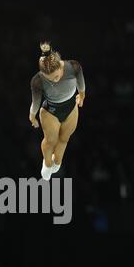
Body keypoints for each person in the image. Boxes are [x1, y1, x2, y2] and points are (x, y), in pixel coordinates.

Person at [29, 41, 85, 180]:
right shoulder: (37, 81)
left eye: (56, 76)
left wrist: (82, 95)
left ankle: (57, 161)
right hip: (50, 111)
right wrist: (32, 115)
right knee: (51, 140)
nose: (54, 81)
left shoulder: (73, 67)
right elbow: (35, 102)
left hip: (70, 107)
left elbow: (81, 82)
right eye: (50, 79)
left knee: (64, 138)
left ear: (60, 65)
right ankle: (47, 163)